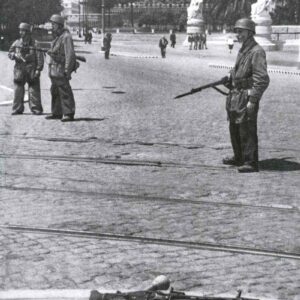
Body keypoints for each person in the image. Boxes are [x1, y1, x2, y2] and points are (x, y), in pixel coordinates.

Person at [223, 18, 270, 173]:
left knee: (247, 128)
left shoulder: (257, 51)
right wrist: (230, 76)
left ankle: (250, 162)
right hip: (236, 95)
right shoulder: (244, 49)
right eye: (237, 31)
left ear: (250, 33)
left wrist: (253, 100)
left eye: (241, 31)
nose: (238, 34)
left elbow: (262, 79)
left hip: (246, 96)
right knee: (235, 126)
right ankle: (239, 157)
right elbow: (239, 70)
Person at [8, 22, 44, 115]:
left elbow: (40, 57)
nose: (21, 33)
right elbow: (10, 53)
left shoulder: (35, 43)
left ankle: (36, 108)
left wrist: (38, 69)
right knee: (18, 90)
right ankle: (17, 108)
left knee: (34, 90)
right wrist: (14, 55)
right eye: (20, 30)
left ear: (28, 32)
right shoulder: (17, 42)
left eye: (23, 31)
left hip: (32, 68)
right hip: (19, 69)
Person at [46, 14, 76, 122]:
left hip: (61, 70)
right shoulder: (57, 38)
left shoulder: (66, 37)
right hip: (55, 71)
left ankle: (68, 113)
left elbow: (70, 55)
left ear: (59, 25)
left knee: (64, 91)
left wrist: (67, 71)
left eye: (53, 24)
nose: (52, 26)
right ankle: (57, 112)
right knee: (55, 91)